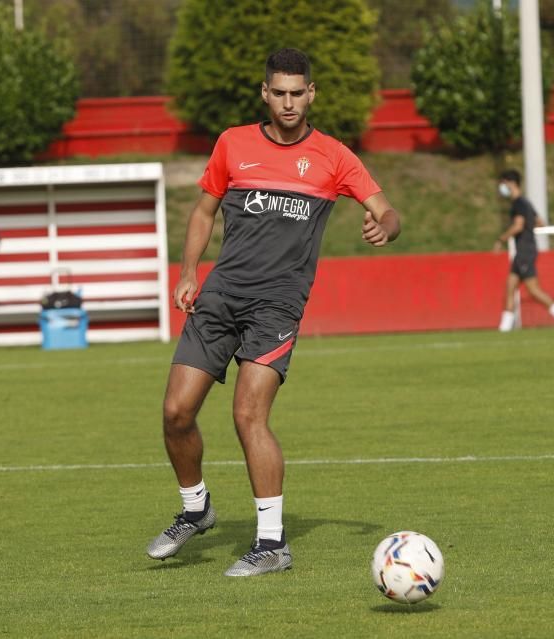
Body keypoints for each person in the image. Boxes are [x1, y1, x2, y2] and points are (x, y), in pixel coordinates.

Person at [145, 48, 401, 577]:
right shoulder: (232, 144)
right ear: (265, 93)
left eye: (297, 93)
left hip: (277, 303)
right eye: (278, 93)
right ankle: (197, 511)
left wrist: (386, 227)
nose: (288, 102)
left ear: (312, 94)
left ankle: (271, 544)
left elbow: (386, 209)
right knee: (175, 413)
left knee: (248, 415)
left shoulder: (334, 156)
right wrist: (190, 270)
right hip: (220, 296)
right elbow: (203, 209)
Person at [492, 170, 554, 332]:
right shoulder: (526, 203)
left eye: (503, 183)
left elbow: (518, 225)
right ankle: (505, 327)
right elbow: (539, 222)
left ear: (511, 183)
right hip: (526, 249)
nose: (501, 187)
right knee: (510, 286)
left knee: (533, 290)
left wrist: (501, 239)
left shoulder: (518, 203)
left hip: (524, 250)